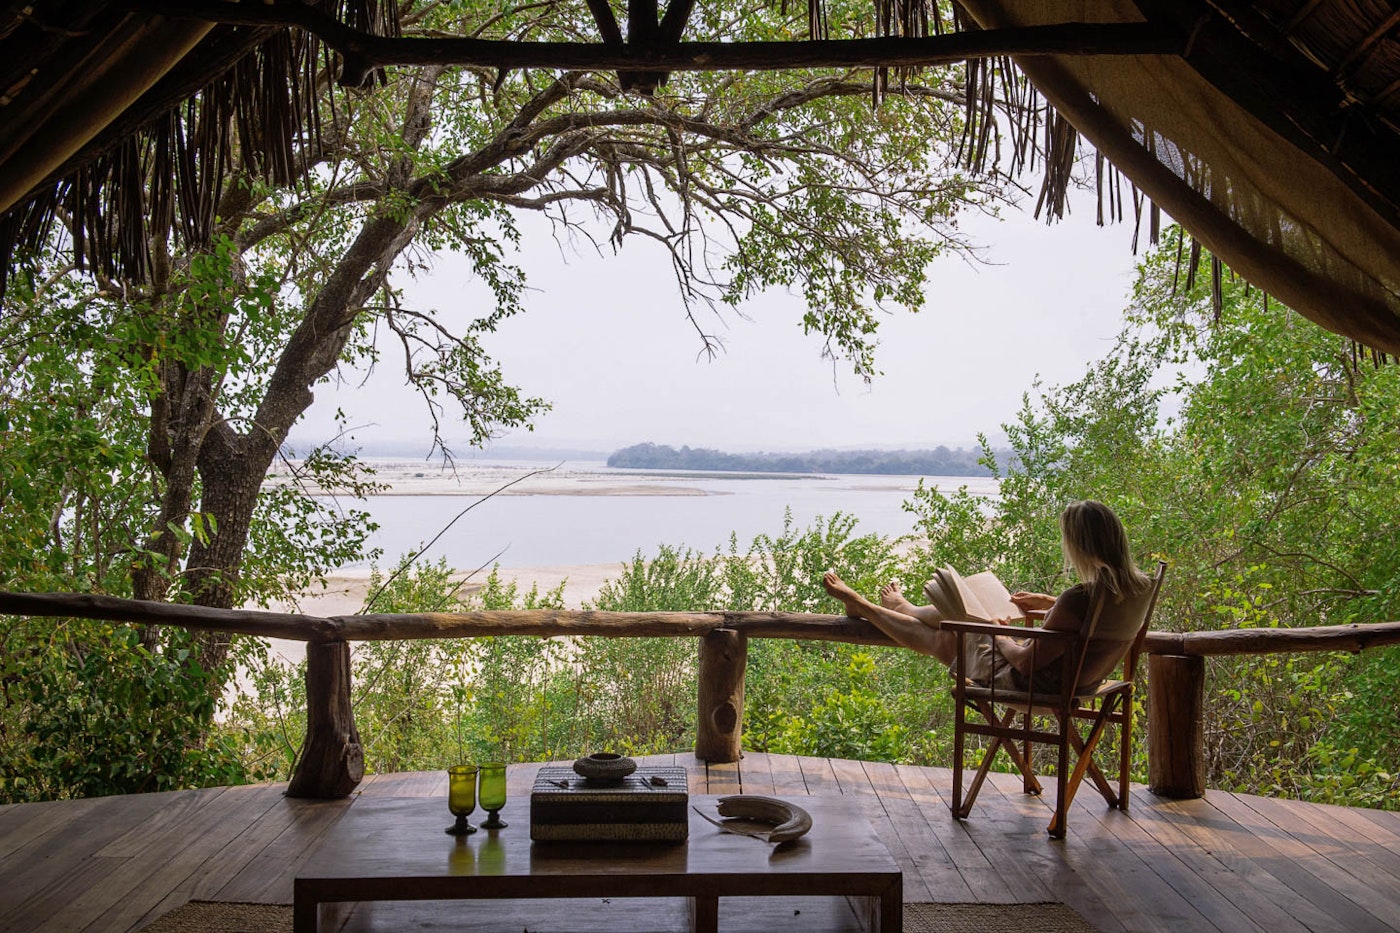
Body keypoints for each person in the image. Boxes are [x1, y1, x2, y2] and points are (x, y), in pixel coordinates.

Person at [821, 499, 1155, 692]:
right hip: (1080, 682)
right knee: (964, 615)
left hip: (1034, 686)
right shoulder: (1136, 588)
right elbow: (1098, 621)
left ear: (1080, 545)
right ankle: (903, 606)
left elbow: (1026, 661)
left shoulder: (1079, 597)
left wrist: (998, 631)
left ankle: (864, 607)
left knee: (949, 639)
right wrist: (1049, 602)